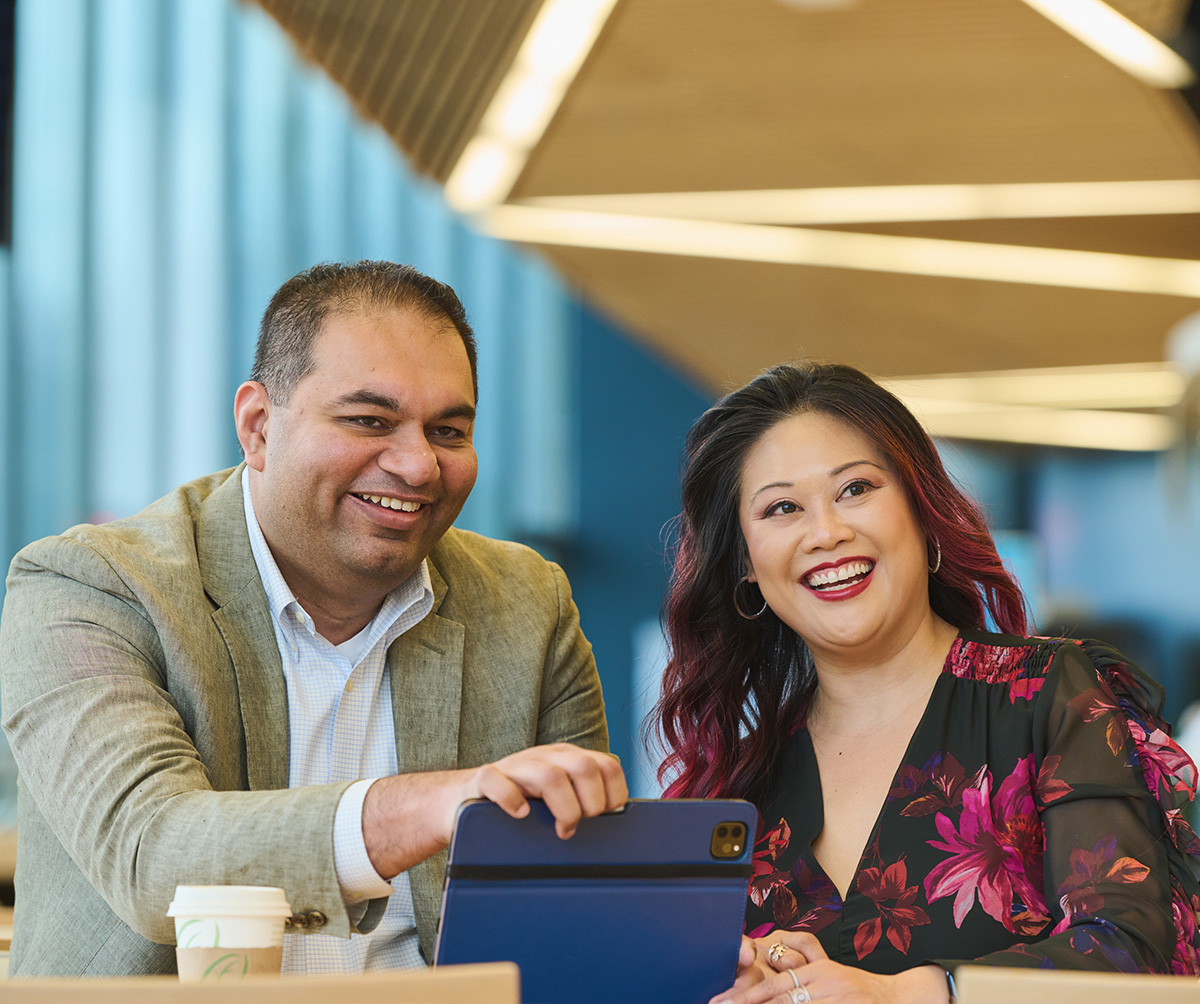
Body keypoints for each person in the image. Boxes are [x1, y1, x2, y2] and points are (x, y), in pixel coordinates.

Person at [0, 260, 626, 977]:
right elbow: (154, 855)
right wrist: (432, 807)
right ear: (258, 427)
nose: (419, 466)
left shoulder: (528, 604)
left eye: (449, 430)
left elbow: (577, 900)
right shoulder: (91, 585)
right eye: (369, 420)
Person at [653, 361, 1200, 1004]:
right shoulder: (737, 784)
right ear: (746, 562)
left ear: (920, 507)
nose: (826, 533)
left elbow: (1127, 951)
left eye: (855, 489)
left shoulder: (1049, 697)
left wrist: (908, 993)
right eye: (782, 508)